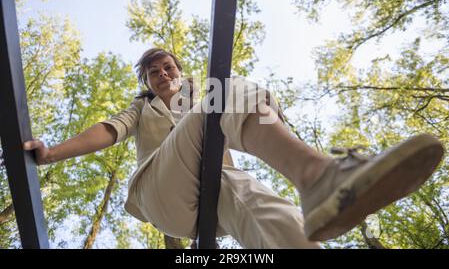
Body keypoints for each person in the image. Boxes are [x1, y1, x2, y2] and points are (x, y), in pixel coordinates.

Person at [23, 48, 445, 248]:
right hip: (162, 194)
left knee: (272, 210)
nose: (161, 73)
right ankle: (317, 174)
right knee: (229, 88)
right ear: (147, 83)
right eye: (152, 72)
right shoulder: (142, 107)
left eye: (167, 66)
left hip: (219, 196)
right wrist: (51, 153)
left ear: (179, 69)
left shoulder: (198, 94)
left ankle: (316, 198)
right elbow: (107, 131)